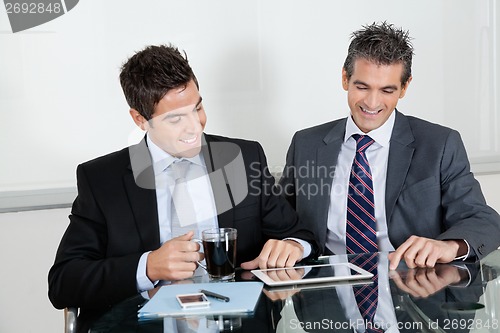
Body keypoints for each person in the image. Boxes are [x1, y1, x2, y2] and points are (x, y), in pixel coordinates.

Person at [48, 44, 318, 311]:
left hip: (237, 321)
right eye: (175, 119)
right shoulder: (101, 179)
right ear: (140, 119)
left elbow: (300, 234)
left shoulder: (244, 158)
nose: (195, 126)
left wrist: (294, 246)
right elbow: (63, 283)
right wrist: (148, 265)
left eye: (197, 108)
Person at [278, 21, 500, 270]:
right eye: (362, 87)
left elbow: (483, 220)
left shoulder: (440, 144)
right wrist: (293, 243)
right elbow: (281, 222)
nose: (372, 103)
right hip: (326, 296)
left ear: (404, 87)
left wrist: (449, 246)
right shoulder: (306, 144)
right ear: (345, 78)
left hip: (413, 292)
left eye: (387, 90)